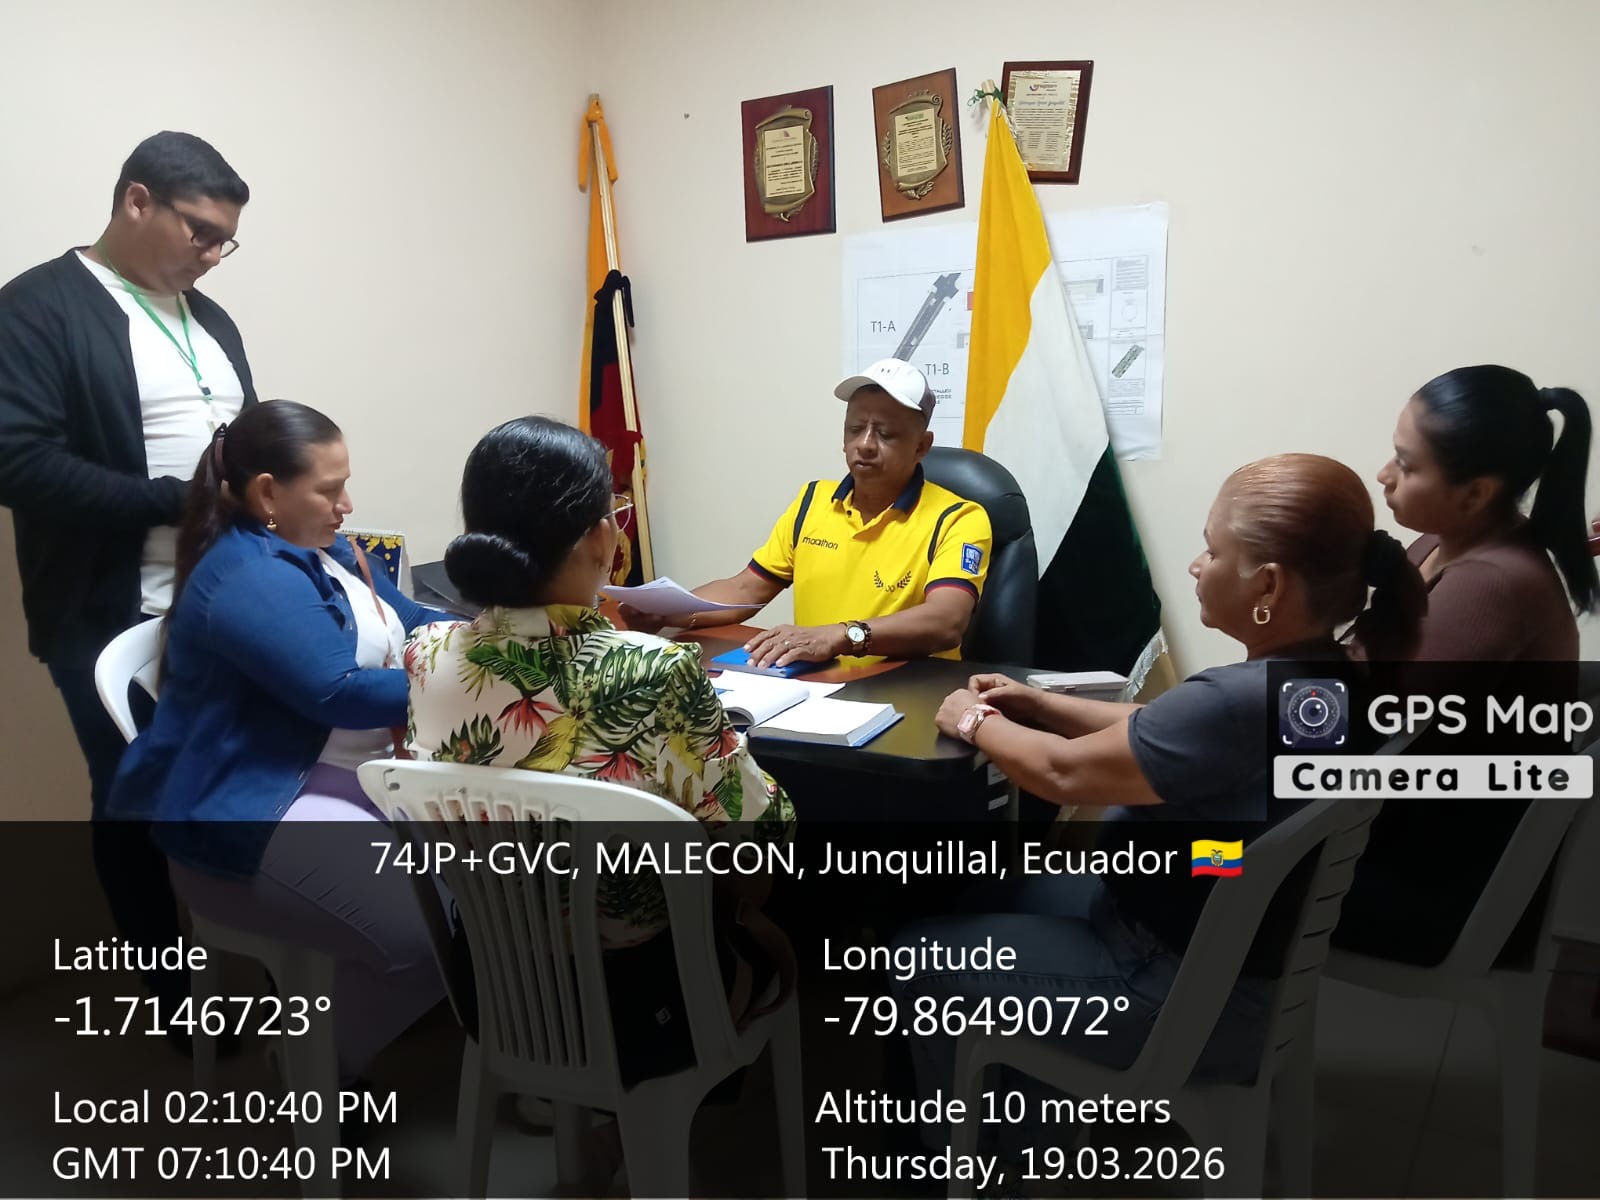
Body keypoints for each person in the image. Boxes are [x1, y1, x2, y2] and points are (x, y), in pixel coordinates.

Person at [891, 454, 1425, 1138]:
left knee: (917, 956)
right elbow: (1161, 728)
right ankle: (1023, 1110)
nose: (1198, 566)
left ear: (1268, 583)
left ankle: (978, 1164)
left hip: (1166, 990)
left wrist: (972, 720)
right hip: (1227, 965)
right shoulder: (1325, 680)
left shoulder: (1238, 701)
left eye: (1214, 551)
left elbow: (1060, 774)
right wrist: (1041, 704)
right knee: (981, 891)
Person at [107, 401, 447, 1074]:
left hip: (332, 779)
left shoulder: (325, 550)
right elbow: (338, 692)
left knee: (487, 901)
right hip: (250, 811)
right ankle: (307, 1065)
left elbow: (412, 619)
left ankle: (339, 1033)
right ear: (268, 493)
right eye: (329, 489)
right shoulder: (247, 575)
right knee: (434, 934)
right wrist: (469, 681)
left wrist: (486, 638)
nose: (347, 505)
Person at [0, 131, 256, 1016]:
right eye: (201, 232)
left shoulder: (210, 320)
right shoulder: (37, 307)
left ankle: (270, 967)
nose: (213, 255)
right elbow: (18, 462)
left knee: (248, 782)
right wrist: (176, 503)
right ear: (136, 200)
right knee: (135, 798)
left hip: (225, 602)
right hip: (110, 612)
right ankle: (172, 996)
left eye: (226, 241)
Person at [1335, 365, 1597, 964]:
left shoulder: (1492, 585)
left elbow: (1357, 725)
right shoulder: (1437, 543)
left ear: (1477, 493)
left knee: (1193, 860)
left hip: (1433, 886)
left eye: (1407, 465)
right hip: (1386, 835)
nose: (1383, 475)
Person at [621, 359, 993, 669]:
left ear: (922, 446)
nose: (865, 444)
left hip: (904, 693)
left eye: (886, 434)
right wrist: (667, 613)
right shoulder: (813, 500)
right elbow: (746, 589)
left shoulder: (958, 519)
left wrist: (842, 635)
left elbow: (947, 621)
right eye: (855, 429)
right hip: (814, 687)